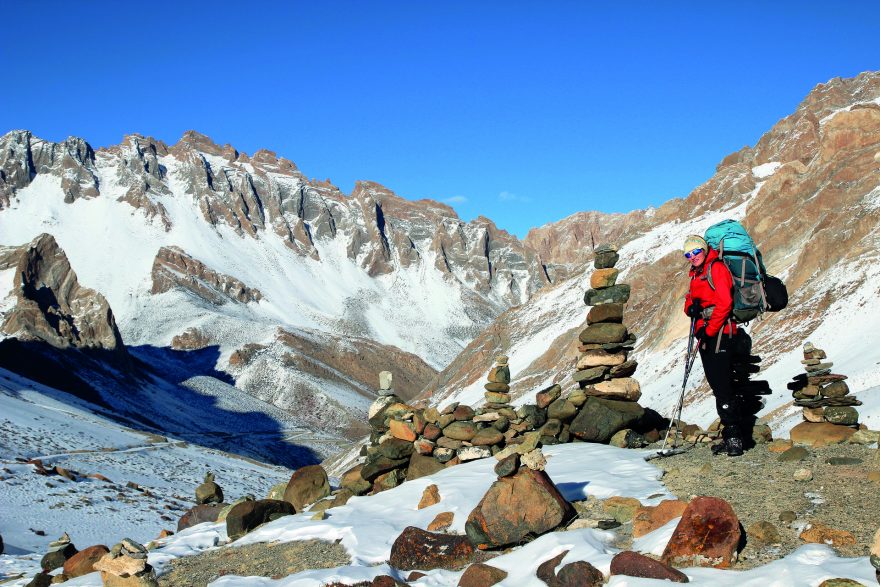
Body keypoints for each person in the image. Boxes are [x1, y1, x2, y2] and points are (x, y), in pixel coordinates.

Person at [682, 235, 745, 457]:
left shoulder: (716, 268)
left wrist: (708, 331)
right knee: (718, 385)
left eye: (696, 252)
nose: (692, 257)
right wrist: (690, 308)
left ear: (704, 249)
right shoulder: (696, 273)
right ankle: (731, 436)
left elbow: (725, 302)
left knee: (722, 385)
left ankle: (735, 438)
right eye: (688, 254)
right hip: (706, 333)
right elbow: (690, 298)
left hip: (720, 334)